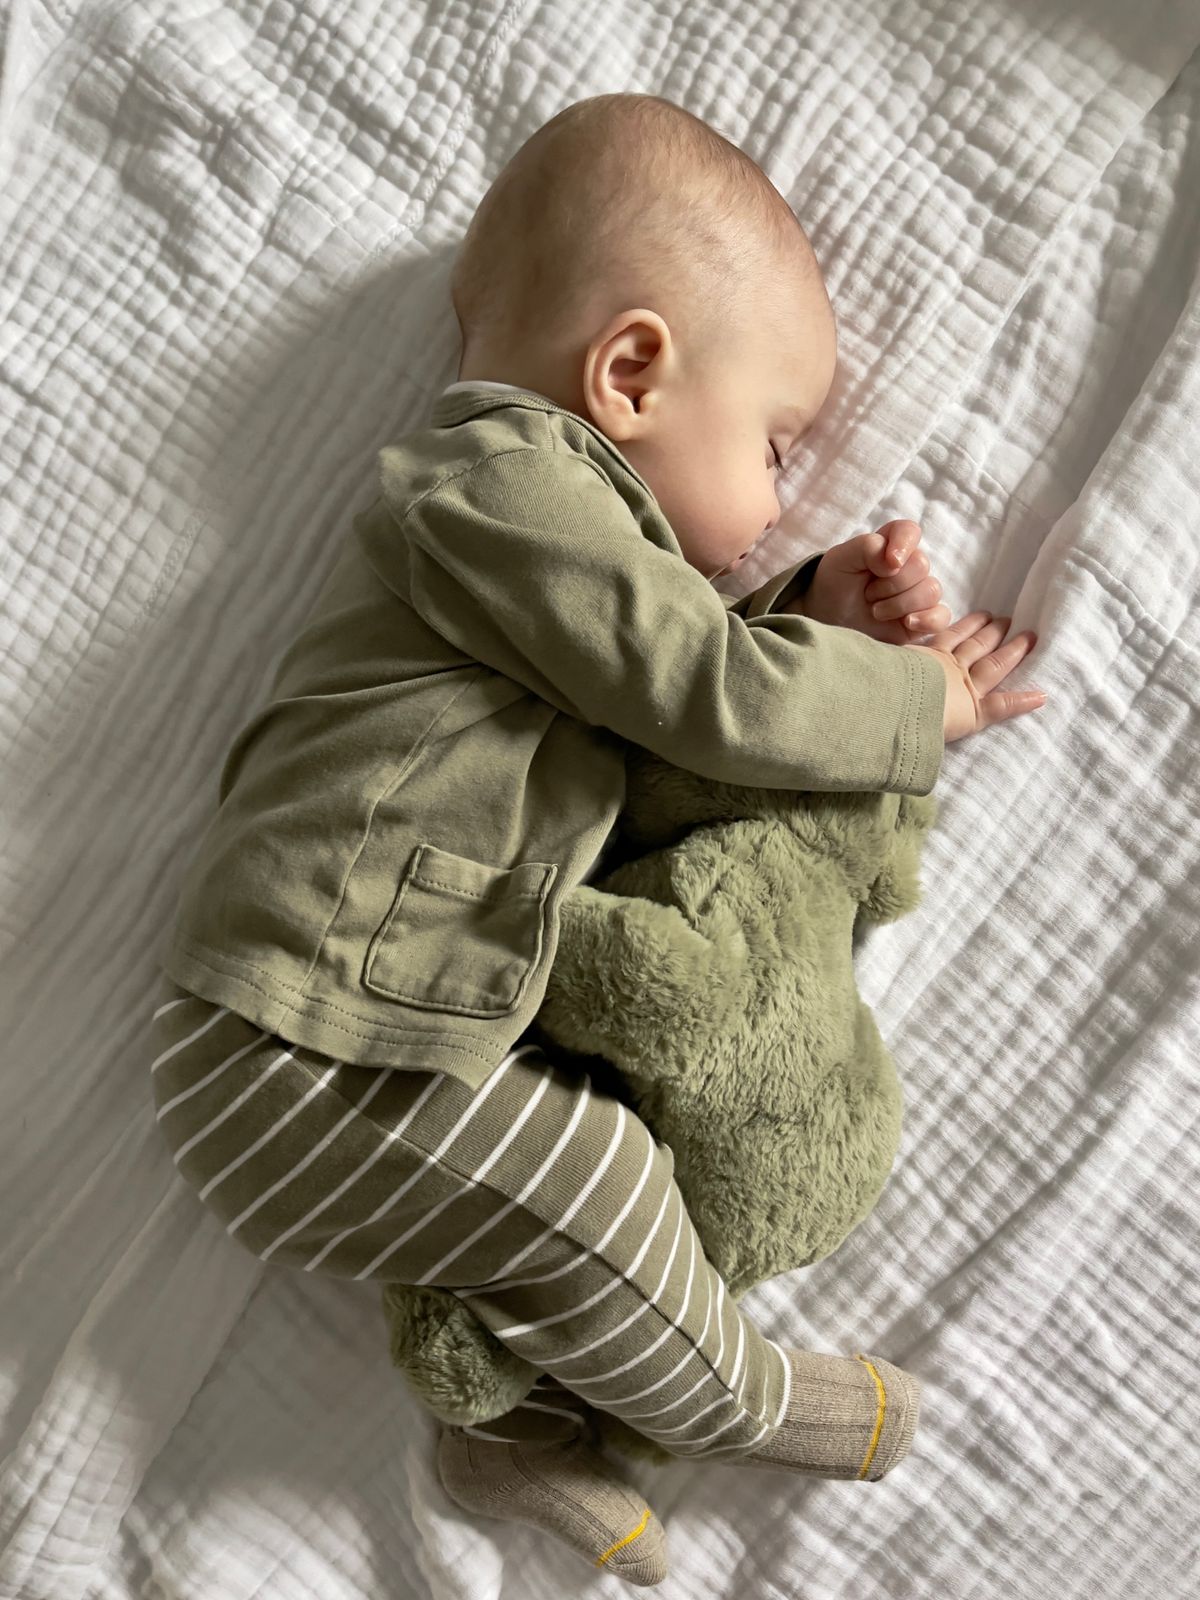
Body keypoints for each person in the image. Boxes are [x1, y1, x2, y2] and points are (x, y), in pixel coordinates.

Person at [146, 93, 1046, 1587]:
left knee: (552, 1203)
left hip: (356, 1029)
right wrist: (913, 702)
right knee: (598, 1188)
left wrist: (813, 618)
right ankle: (740, 1402)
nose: (772, 504)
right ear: (630, 374)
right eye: (773, 447)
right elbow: (692, 686)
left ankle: (506, 1434)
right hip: (301, 1037)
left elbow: (661, 708)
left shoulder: (545, 554)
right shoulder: (500, 482)